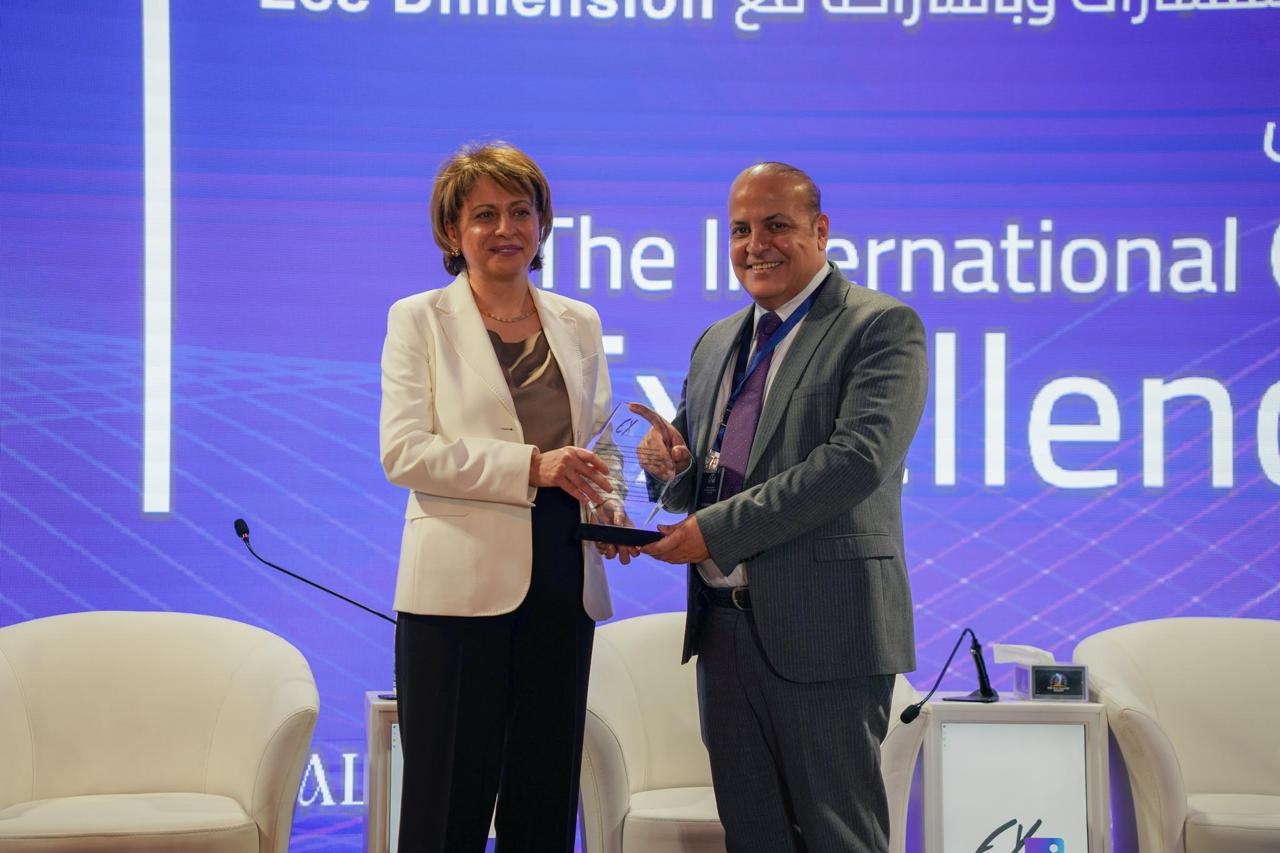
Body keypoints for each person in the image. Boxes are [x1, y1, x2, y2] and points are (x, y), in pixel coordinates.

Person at [637, 162, 928, 853]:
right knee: (754, 837)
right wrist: (667, 465)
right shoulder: (716, 341)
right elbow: (700, 464)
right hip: (722, 633)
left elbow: (854, 463)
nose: (755, 245)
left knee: (838, 837)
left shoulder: (880, 327)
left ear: (819, 230)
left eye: (776, 225)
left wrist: (715, 531)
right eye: (740, 230)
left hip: (828, 631)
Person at [379, 141, 635, 853]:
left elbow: (599, 442)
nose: (506, 229)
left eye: (521, 212)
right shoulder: (419, 318)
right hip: (456, 594)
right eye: (484, 214)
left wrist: (609, 503)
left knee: (543, 802)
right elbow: (404, 451)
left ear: (542, 224)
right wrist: (532, 466)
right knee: (445, 810)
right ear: (451, 231)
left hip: (563, 578)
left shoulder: (578, 320)